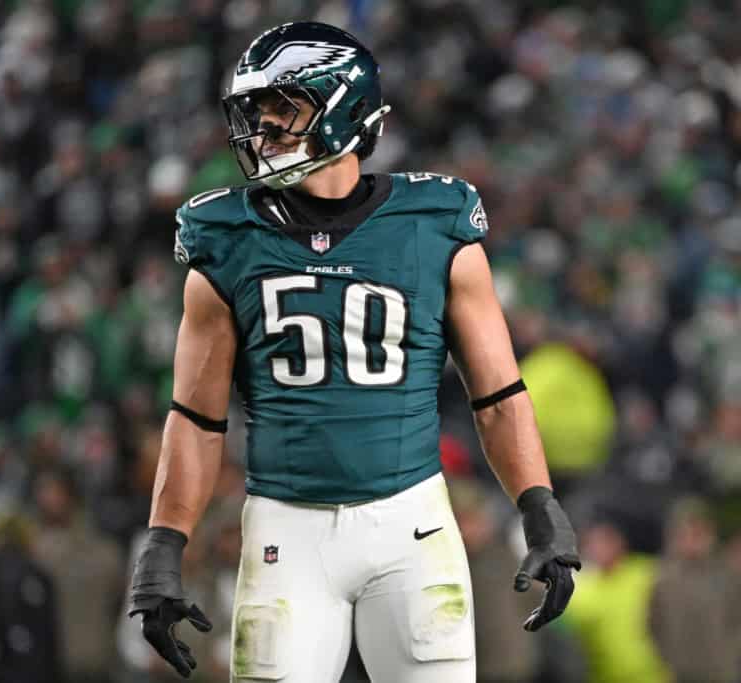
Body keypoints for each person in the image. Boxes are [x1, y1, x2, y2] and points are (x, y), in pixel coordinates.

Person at [127, 21, 580, 683]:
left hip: (412, 527)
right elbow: (195, 419)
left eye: (284, 107)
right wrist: (164, 542)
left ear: (341, 108)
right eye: (258, 110)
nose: (264, 126)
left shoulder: (436, 223)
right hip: (285, 531)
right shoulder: (225, 239)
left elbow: (497, 395)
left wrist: (539, 504)